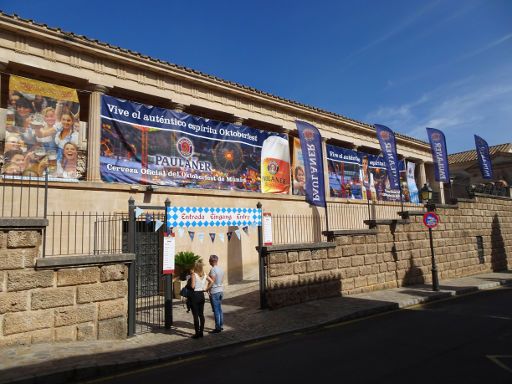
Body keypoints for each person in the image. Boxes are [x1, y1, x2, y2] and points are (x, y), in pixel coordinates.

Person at [189, 261, 213, 339]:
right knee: (201, 314)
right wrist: (207, 289)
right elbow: (211, 281)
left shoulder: (193, 275)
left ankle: (197, 333)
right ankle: (201, 332)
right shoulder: (204, 274)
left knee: (195, 315)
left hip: (195, 295)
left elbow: (192, 286)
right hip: (201, 295)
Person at [208, 254, 224, 333]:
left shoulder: (213, 270)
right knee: (219, 309)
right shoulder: (221, 269)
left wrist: (207, 288)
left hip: (215, 291)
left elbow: (212, 281)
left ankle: (217, 327)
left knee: (216, 310)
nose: (209, 262)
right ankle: (221, 325)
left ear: (213, 261)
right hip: (220, 290)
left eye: (209, 260)